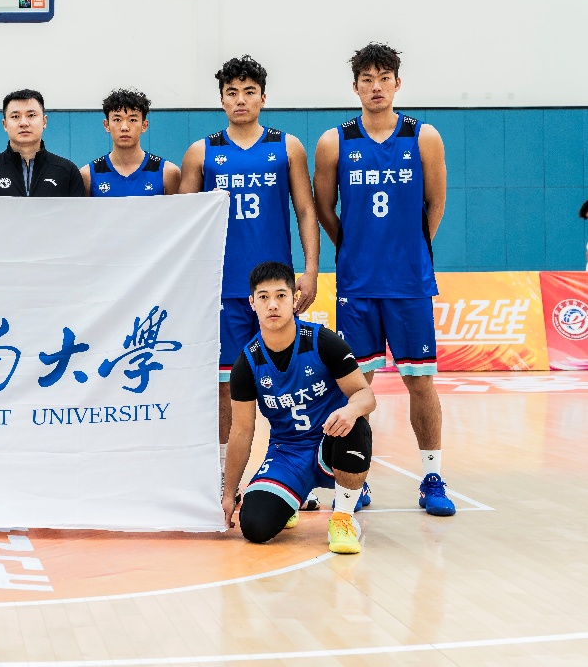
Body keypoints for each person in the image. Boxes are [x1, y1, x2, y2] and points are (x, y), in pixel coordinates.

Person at [314, 42, 452, 516]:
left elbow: (436, 202)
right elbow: (325, 209)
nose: (376, 87)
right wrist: (354, 247)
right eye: (367, 80)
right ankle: (356, 477)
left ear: (398, 83)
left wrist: (408, 249)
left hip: (409, 283)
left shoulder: (423, 136)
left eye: (384, 78)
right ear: (355, 87)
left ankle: (432, 476)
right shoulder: (334, 141)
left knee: (421, 382)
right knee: (356, 386)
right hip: (357, 285)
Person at [179, 55, 320, 507]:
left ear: (263, 97)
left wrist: (311, 270)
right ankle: (225, 474)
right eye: (232, 92)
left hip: (275, 291)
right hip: (222, 289)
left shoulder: (287, 146)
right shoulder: (202, 152)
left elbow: (306, 211)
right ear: (221, 99)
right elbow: (181, 223)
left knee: (290, 382)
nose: (240, 99)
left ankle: (298, 472)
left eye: (249, 91)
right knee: (227, 385)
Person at [224, 261, 376, 554]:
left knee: (355, 424)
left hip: (330, 443)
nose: (272, 305)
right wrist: (229, 494)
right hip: (288, 453)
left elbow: (365, 395)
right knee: (254, 527)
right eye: (264, 297)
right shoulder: (246, 363)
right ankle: (294, 497)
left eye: (281, 295)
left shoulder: (323, 341)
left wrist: (350, 410)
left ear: (295, 299)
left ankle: (343, 518)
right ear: (252, 303)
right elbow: (241, 431)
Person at [0, 90, 84, 197]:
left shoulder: (67, 171)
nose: (23, 123)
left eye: (31, 115)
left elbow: (77, 213)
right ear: (5, 125)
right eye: (15, 116)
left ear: (44, 121)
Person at [80, 88, 180, 197]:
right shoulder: (88, 175)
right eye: (117, 120)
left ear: (144, 125)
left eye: (132, 120)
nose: (124, 127)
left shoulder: (168, 172)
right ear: (106, 125)